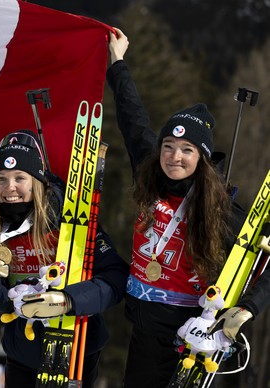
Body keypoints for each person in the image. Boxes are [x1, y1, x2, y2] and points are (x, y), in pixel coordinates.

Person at [107, 29, 245, 387]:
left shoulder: (217, 205)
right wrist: (117, 61)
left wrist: (240, 314)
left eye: (187, 150)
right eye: (168, 145)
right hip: (141, 325)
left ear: (201, 157)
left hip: (186, 336)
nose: (174, 157)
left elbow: (259, 260)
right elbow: (132, 117)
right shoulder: (150, 172)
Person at [0, 129, 129, 388]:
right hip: (22, 352)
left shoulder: (70, 219)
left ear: (37, 180)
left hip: (75, 348)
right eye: (1, 179)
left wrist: (68, 300)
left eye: (19, 178)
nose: (9, 187)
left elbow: (116, 277)